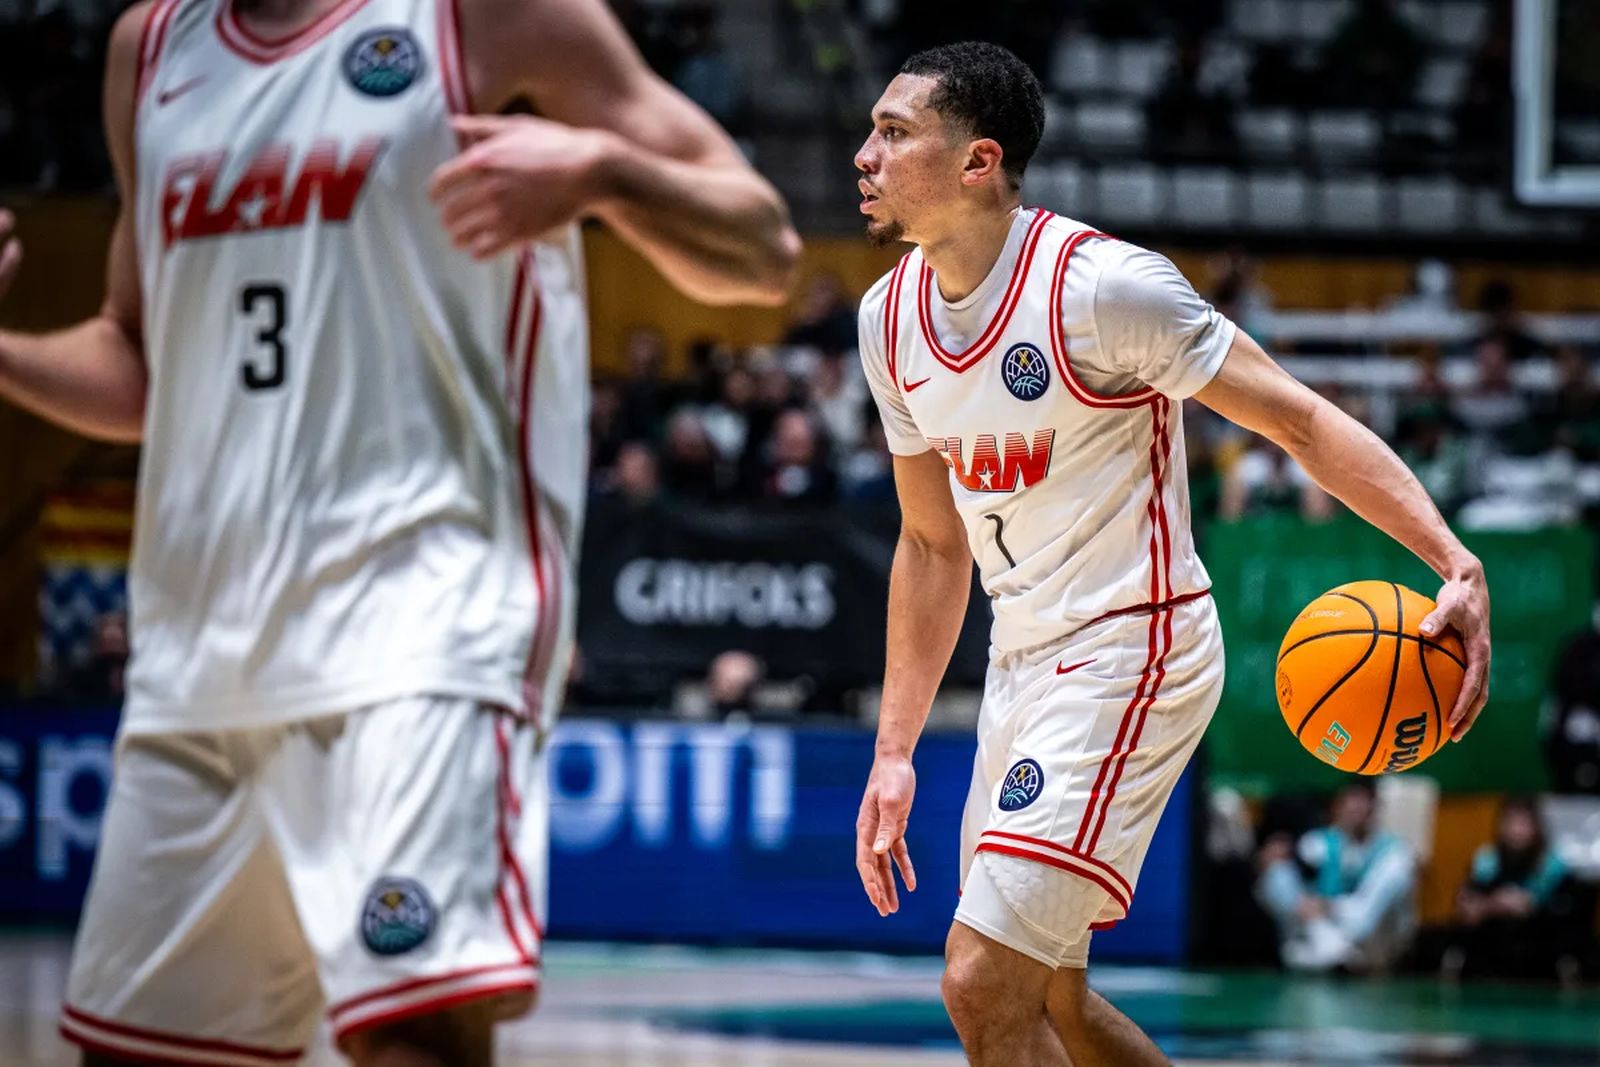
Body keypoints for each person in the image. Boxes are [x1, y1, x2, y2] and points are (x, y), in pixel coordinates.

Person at [0, 0, 799, 1060]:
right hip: (199, 651)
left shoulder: (485, 17)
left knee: (414, 1036)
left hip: (422, 613)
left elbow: (765, 246)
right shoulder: (146, 49)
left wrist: (607, 172)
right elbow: (145, 363)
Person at [848, 42, 1491, 1066]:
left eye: (891, 133)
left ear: (977, 161)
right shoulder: (888, 323)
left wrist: (1454, 560)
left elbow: (1299, 422)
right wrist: (893, 750)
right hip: (1023, 658)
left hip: (1132, 646)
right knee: (1051, 1000)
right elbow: (931, 544)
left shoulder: (1102, 289)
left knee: (979, 978)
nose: (862, 155)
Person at [1256, 782, 1418, 973]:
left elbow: (1364, 919)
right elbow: (1283, 880)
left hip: (1372, 940)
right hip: (1322, 930)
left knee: (1396, 876)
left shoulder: (1394, 854)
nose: (1354, 811)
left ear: (1375, 809)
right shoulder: (1321, 842)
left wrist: (1327, 906)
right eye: (1349, 804)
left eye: (1362, 805)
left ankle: (1332, 951)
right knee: (1278, 874)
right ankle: (1328, 947)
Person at [1443, 795, 1581, 982]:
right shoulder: (1487, 861)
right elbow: (1467, 908)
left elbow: (1562, 917)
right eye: (1511, 822)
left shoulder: (1552, 867)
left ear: (1537, 828)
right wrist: (1497, 904)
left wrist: (1527, 905)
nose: (1517, 831)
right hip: (1487, 961)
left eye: (1524, 823)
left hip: (1537, 960)